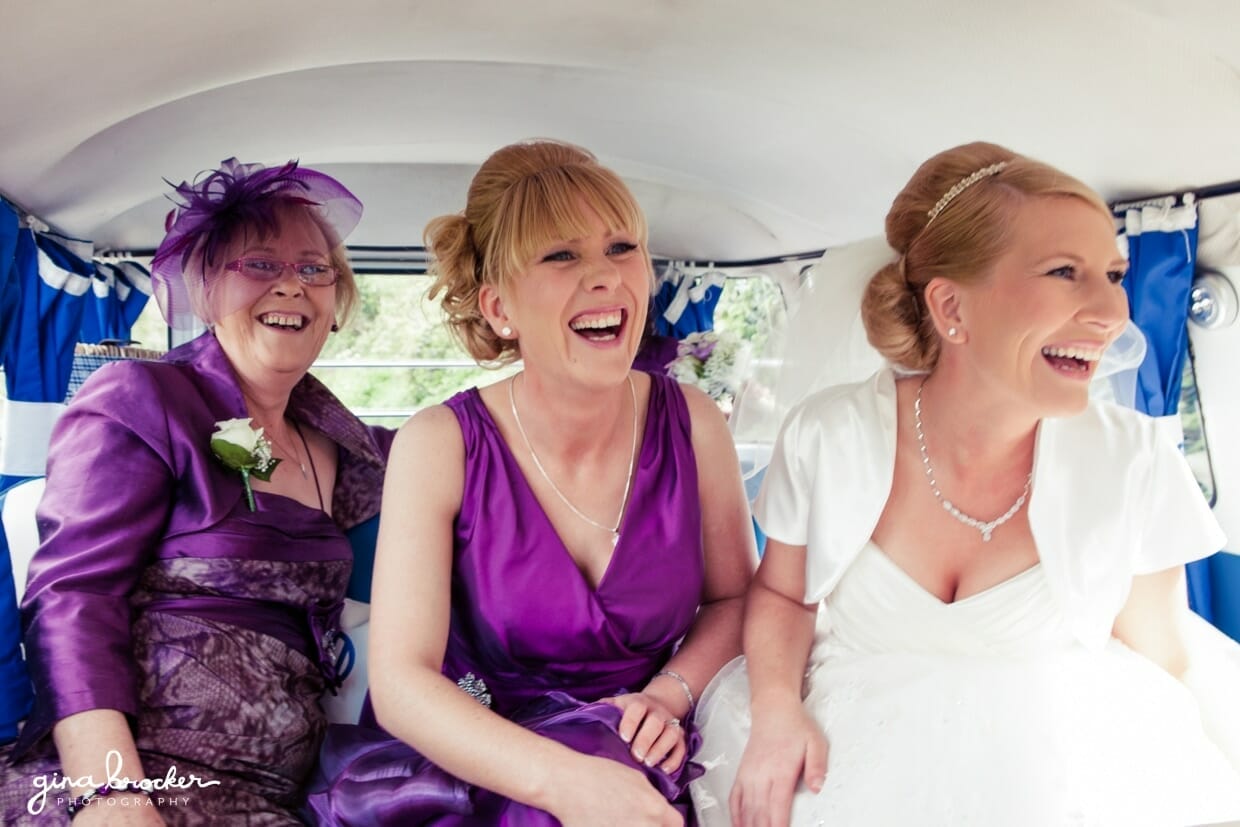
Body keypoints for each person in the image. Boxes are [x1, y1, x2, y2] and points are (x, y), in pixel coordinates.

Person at [691, 142, 1240, 826]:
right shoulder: (828, 434)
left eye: (1115, 273)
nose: (1113, 313)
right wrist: (775, 712)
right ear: (951, 308)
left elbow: (1160, 655)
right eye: (1065, 272)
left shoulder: (1134, 459)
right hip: (847, 756)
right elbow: (781, 592)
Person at [307, 140, 756, 826]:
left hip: (643, 740)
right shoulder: (441, 442)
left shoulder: (693, 422)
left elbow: (734, 599)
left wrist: (670, 694)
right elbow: (401, 683)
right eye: (562, 255)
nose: (605, 277)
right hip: (478, 754)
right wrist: (567, 784)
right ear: (498, 307)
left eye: (622, 247)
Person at [0, 158, 393, 825]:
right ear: (207, 289)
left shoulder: (358, 447)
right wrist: (110, 792)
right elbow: (75, 596)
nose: (292, 285)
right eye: (261, 265)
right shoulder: (140, 398)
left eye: (313, 267)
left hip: (279, 797)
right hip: (135, 776)